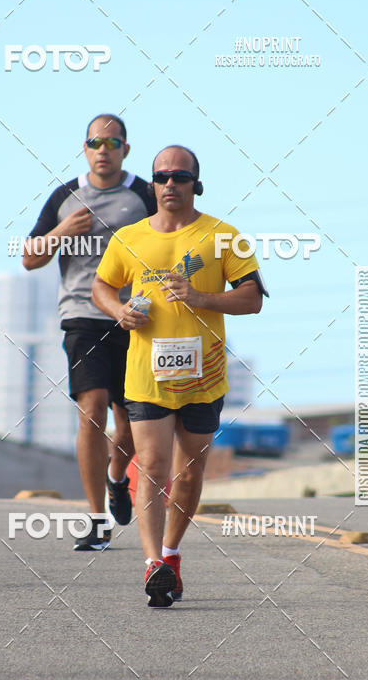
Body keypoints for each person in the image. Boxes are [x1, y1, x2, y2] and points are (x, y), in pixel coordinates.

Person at [92, 145, 267, 605]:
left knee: (188, 474)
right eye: (162, 176)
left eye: (181, 177)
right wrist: (118, 310)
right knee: (151, 466)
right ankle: (152, 563)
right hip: (146, 375)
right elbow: (101, 286)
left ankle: (171, 555)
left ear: (196, 184)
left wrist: (201, 298)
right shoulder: (128, 237)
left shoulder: (223, 236)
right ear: (152, 184)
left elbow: (252, 299)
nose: (170, 184)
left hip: (204, 376)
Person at [23, 114, 156, 550]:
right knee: (92, 409)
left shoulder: (144, 195)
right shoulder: (65, 196)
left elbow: (172, 240)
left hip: (135, 317)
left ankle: (117, 477)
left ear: (125, 150)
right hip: (82, 315)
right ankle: (97, 518)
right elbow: (29, 258)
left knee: (131, 421)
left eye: (112, 143)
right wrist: (62, 231)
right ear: (85, 149)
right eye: (95, 143)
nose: (103, 150)